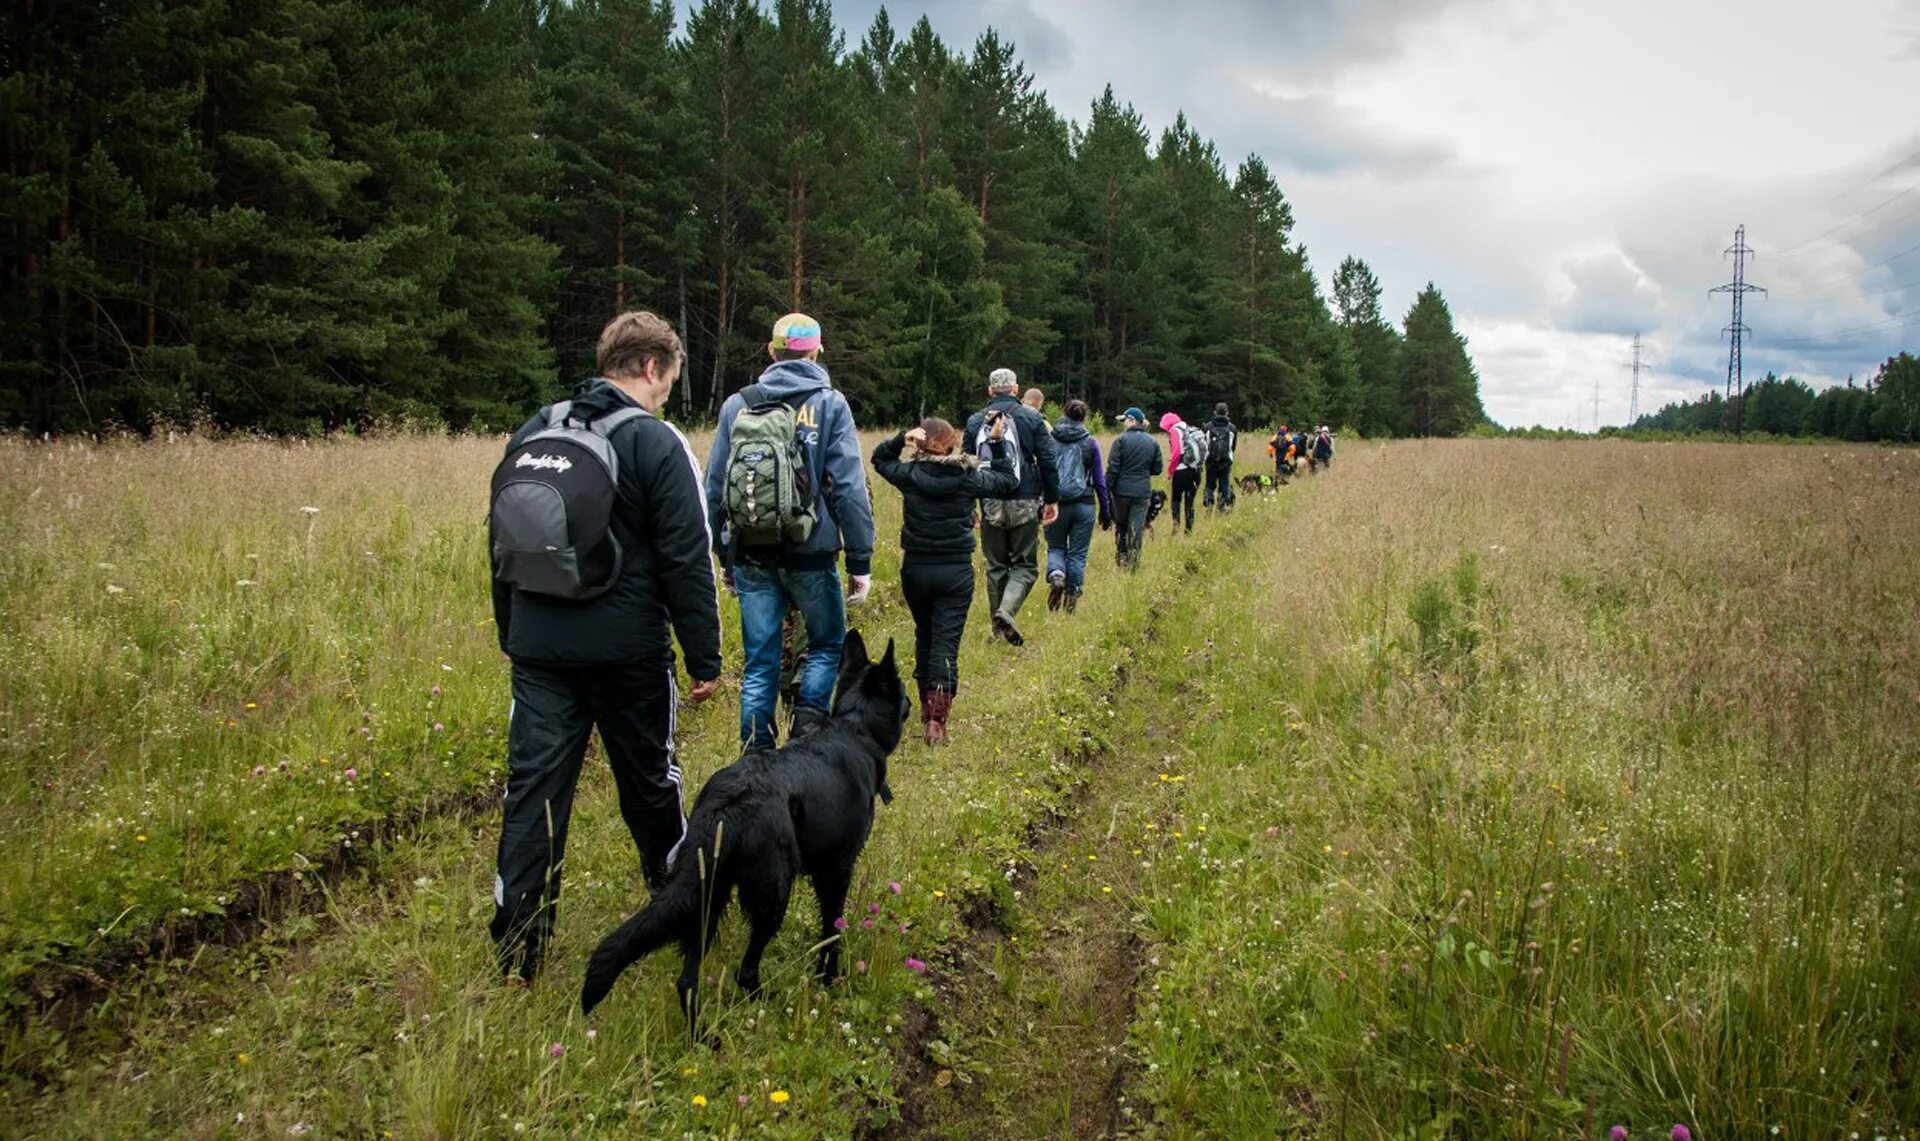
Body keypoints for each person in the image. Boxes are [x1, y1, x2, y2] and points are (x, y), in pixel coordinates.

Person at [487, 310, 722, 985]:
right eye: (669, 381)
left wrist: (512, 632)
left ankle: (518, 952)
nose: (666, 394)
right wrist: (704, 658)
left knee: (534, 792)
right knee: (651, 781)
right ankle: (675, 899)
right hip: (628, 653)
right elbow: (686, 555)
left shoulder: (536, 428)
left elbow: (501, 538)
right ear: (652, 367)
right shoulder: (655, 440)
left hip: (539, 649)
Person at [704, 312, 876, 752]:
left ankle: (755, 754)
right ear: (817, 351)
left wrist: (726, 555)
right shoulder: (830, 404)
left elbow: (715, 487)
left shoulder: (736, 404)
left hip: (752, 554)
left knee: (760, 664)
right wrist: (860, 560)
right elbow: (850, 489)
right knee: (824, 646)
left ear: (771, 351)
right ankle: (805, 741)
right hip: (812, 553)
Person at [870, 414, 1020, 744]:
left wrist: (900, 438)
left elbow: (880, 460)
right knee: (946, 641)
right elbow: (1008, 480)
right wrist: (995, 443)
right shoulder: (968, 477)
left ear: (920, 443)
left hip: (916, 569)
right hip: (954, 571)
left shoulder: (909, 474)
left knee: (925, 633)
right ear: (952, 442)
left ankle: (926, 703)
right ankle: (936, 719)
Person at [964, 368, 1059, 645]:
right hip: (1025, 499)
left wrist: (970, 506)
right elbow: (1049, 463)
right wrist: (1052, 500)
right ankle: (1006, 612)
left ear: (990, 391)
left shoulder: (973, 422)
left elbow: (966, 465)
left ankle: (997, 627)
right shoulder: (1032, 418)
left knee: (996, 565)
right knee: (1025, 566)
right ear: (1016, 390)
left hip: (989, 498)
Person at [1045, 399, 1113, 613]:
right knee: (1078, 553)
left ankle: (1057, 575)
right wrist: (1105, 510)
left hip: (1056, 502)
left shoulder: (1050, 439)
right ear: (1084, 417)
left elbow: (1044, 472)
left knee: (1056, 546)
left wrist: (1043, 500)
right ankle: (1072, 595)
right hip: (1084, 503)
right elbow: (1100, 481)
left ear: (1064, 414)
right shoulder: (1090, 442)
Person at [1106, 407, 1159, 570]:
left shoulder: (1120, 441)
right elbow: (1157, 469)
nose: (1123, 424)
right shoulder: (1153, 442)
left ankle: (1121, 559)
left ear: (1133, 420)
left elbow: (1113, 468)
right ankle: (1134, 564)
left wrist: (1108, 487)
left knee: (1121, 526)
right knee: (1136, 528)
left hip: (1121, 492)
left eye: (1125, 420)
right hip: (1142, 492)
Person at [1159, 410, 1203, 534]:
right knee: (1190, 503)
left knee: (1176, 500)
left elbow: (1177, 452)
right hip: (1195, 470)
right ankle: (1189, 531)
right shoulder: (1190, 429)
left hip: (1181, 471)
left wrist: (1170, 470)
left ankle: (1176, 528)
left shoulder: (1174, 430)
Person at [1201, 402, 1238, 511]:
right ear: (1227, 412)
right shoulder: (1232, 428)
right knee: (1224, 484)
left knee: (1210, 484)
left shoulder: (1207, 427)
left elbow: (1203, 445)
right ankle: (1221, 506)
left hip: (1210, 461)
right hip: (1226, 461)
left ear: (1215, 412)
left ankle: (1209, 503)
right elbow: (1233, 447)